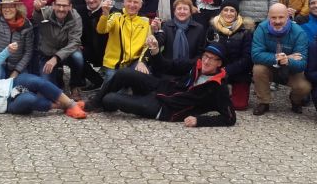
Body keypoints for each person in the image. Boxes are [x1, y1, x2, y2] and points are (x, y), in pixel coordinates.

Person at [85, 39, 236, 127]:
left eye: (211, 58)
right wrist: (156, 51)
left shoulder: (218, 87)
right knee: (124, 73)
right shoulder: (195, 64)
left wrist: (199, 120)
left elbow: (229, 118)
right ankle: (92, 105)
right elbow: (167, 66)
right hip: (160, 86)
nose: (206, 61)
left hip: (165, 109)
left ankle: (107, 103)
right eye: (205, 56)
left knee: (110, 98)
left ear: (219, 63)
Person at [251, 3, 311, 115]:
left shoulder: (299, 33)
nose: (277, 21)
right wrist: (281, 57)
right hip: (270, 67)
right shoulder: (261, 28)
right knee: (258, 69)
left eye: (281, 17)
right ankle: (264, 102)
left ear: (287, 17)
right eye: (273, 17)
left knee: (304, 87)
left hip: (290, 70)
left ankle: (295, 101)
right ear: (268, 17)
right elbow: (255, 55)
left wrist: (288, 61)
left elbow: (302, 63)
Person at [32, 0, 85, 100]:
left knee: (78, 58)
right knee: (47, 90)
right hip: (47, 54)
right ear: (53, 5)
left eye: (65, 6)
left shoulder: (76, 17)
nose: (61, 9)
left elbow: (75, 42)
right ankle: (57, 75)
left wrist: (56, 57)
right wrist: (37, 10)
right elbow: (36, 18)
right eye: (58, 5)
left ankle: (75, 85)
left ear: (70, 7)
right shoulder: (45, 12)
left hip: (67, 53)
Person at [206, 0, 254, 111]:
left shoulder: (245, 31)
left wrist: (228, 70)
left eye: (232, 11)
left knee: (239, 106)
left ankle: (234, 92)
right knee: (210, 102)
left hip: (239, 72)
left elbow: (247, 58)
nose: (228, 13)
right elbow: (206, 51)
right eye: (225, 10)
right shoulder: (213, 28)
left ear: (237, 13)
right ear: (221, 11)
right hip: (217, 71)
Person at [96, 0, 151, 80]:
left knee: (145, 79)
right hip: (114, 64)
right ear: (124, 2)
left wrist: (142, 62)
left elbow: (147, 45)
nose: (132, 5)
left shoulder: (145, 21)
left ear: (141, 5)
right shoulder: (116, 16)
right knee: (113, 92)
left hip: (134, 63)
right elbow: (101, 30)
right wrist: (105, 14)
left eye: (136, 2)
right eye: (129, 1)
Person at [153, 0, 206, 70]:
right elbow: (158, 44)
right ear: (174, 11)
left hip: (190, 69)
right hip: (168, 68)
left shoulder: (199, 28)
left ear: (190, 12)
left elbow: (200, 53)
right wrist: (156, 31)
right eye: (179, 8)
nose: (182, 11)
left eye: (185, 9)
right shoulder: (166, 26)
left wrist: (190, 64)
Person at [80, 0, 113, 90]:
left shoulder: (112, 11)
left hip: (110, 54)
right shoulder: (81, 12)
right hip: (91, 50)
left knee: (111, 88)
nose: (91, 0)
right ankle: (96, 80)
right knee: (72, 55)